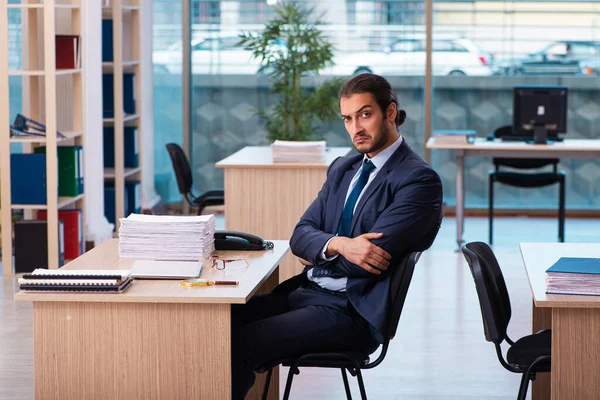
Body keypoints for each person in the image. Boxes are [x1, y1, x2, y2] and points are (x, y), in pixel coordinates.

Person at [231, 73, 443, 399]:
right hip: (305, 294)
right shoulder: (343, 168)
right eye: (347, 118)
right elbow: (299, 236)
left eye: (365, 114)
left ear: (390, 112)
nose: (355, 127)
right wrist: (338, 244)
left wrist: (319, 252)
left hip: (350, 312)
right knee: (215, 327)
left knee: (239, 345)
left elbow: (364, 264)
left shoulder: (417, 180)